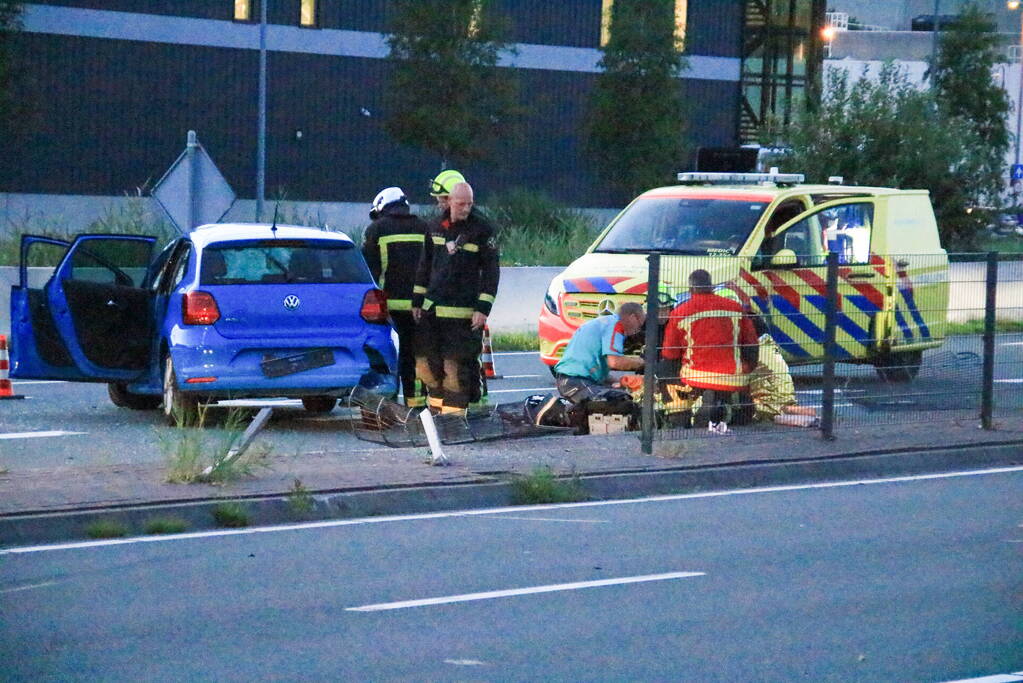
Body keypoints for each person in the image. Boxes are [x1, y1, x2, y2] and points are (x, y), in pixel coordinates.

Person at [411, 182, 499, 414]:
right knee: (427, 368)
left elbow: (491, 272)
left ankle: (453, 421)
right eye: (461, 204)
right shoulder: (435, 227)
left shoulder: (482, 230)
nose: (466, 209)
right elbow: (425, 264)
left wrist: (483, 308)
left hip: (463, 314)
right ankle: (436, 417)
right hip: (432, 311)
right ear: (449, 201)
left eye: (470, 204)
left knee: (454, 369)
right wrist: (417, 300)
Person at [661, 269, 758, 432]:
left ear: (691, 289)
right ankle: (733, 407)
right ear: (711, 286)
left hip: (696, 377)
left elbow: (669, 353)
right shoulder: (735, 308)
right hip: (734, 377)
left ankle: (680, 417)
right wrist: (748, 368)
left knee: (664, 373)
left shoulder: (681, 312)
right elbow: (751, 344)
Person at [362, 187, 429, 408]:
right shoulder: (425, 228)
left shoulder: (376, 230)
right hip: (420, 307)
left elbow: (369, 272)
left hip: (387, 310)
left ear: (382, 207)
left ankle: (386, 407)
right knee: (415, 357)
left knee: (388, 358)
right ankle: (417, 407)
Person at [553, 301, 646, 404]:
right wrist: (643, 363)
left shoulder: (607, 322)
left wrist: (618, 382)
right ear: (633, 318)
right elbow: (614, 362)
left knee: (619, 394)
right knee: (617, 402)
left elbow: (596, 370)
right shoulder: (616, 325)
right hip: (574, 380)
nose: (638, 330)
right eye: (639, 325)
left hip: (572, 379)